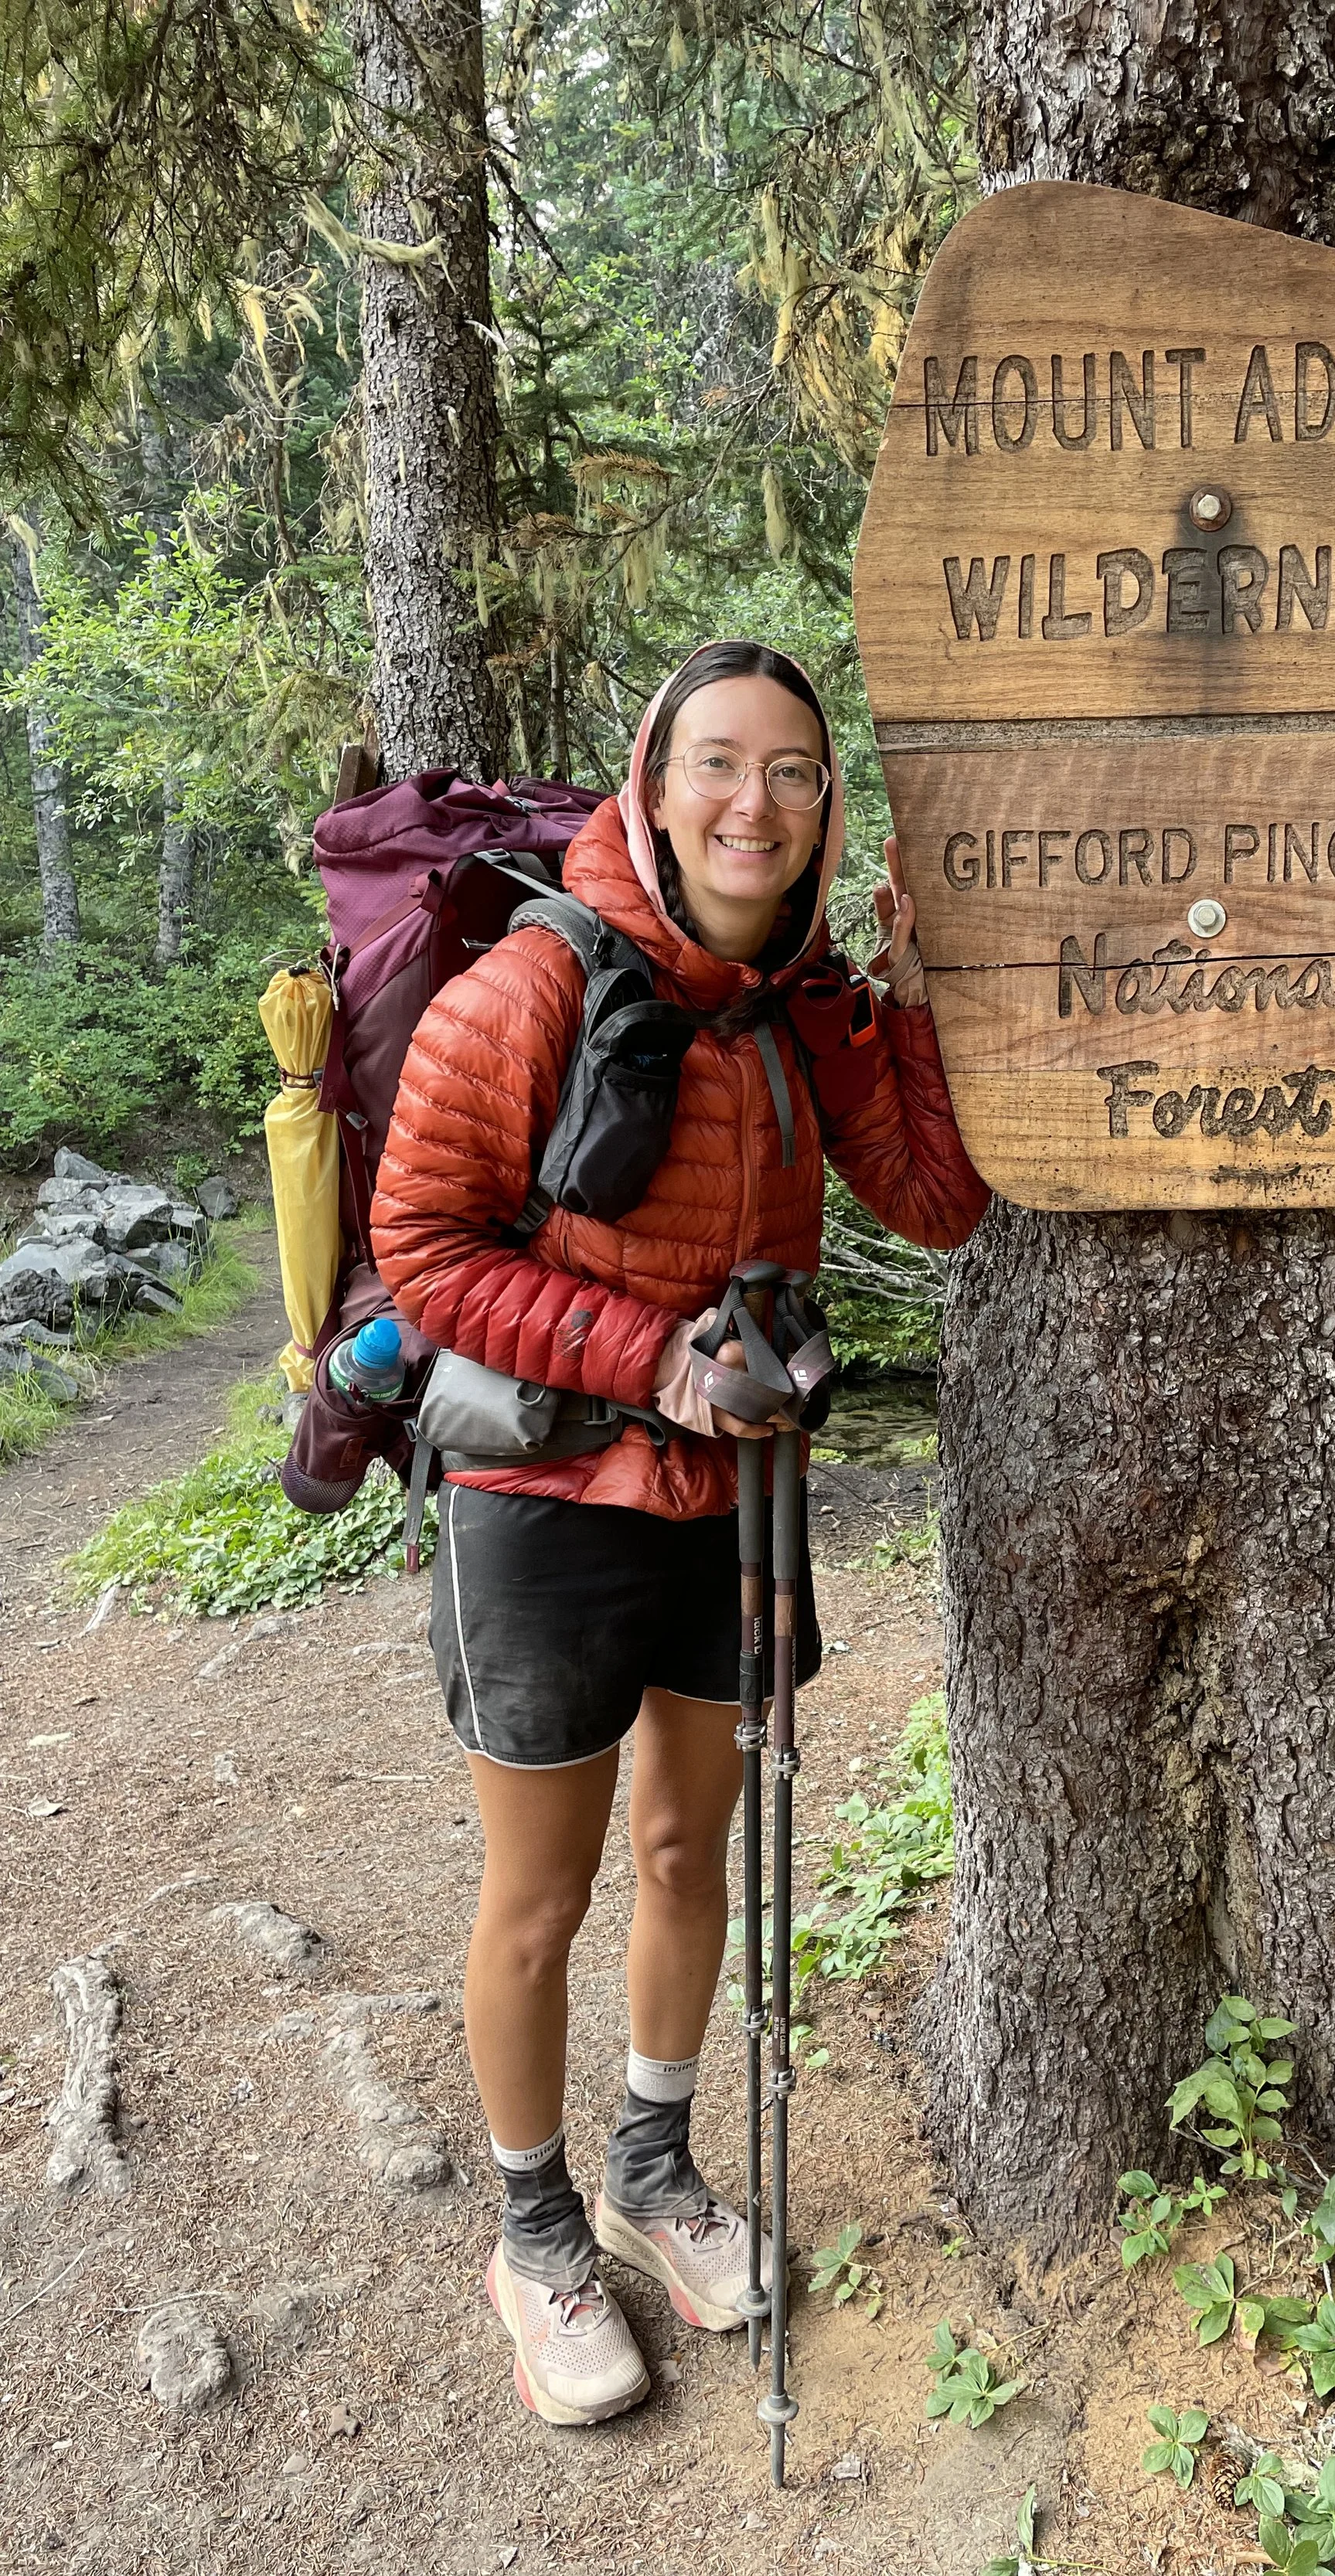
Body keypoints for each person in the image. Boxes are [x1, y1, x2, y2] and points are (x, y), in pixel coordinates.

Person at [370, 640, 988, 2425]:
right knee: (543, 1886)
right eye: (719, 764)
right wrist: (655, 1358)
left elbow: (936, 1203)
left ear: (823, 813)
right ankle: (535, 2225)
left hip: (729, 1505)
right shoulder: (530, 988)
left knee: (678, 1855)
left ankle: (651, 2171)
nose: (755, 803)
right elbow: (425, 1251)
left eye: (793, 773)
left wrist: (916, 1002)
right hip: (544, 1499)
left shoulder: (799, 1007)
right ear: (649, 786)